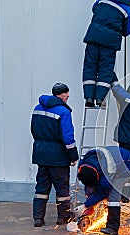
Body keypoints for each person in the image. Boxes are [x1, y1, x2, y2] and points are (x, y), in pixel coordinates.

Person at [31, 83, 79, 227]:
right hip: (58, 156)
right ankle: (63, 218)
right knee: (62, 189)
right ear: (61, 95)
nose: (68, 96)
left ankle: (38, 218)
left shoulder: (37, 108)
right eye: (66, 93)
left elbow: (33, 130)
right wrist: (73, 156)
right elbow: (68, 137)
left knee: (41, 188)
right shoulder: (63, 111)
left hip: (41, 153)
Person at [82, 0, 130, 107]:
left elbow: (94, 10)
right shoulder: (127, 10)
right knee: (105, 69)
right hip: (109, 43)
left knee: (90, 66)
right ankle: (99, 98)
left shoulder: (101, 1)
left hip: (93, 37)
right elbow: (127, 31)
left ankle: (88, 97)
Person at [74, 146, 130, 235]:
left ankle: (112, 227)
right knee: (95, 190)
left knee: (113, 195)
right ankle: (98, 214)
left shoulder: (107, 173)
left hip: (128, 164)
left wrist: (85, 206)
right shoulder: (83, 167)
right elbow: (89, 185)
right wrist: (89, 205)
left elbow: (103, 192)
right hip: (112, 162)